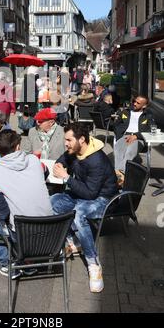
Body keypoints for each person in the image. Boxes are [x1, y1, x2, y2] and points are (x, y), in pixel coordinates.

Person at [50, 122, 118, 293]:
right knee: (53, 201)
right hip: (84, 195)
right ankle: (75, 241)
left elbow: (90, 194)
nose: (66, 144)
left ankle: (93, 263)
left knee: (79, 214)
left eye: (68, 140)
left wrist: (66, 177)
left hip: (104, 200)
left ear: (81, 139)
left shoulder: (96, 160)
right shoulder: (74, 151)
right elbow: (62, 159)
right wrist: (59, 166)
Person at [0, 129, 53, 278]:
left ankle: (8, 263)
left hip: (23, 234)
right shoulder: (33, 160)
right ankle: (28, 262)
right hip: (51, 231)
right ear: (18, 147)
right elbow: (45, 173)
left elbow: (2, 213)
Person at [113, 95, 153, 181]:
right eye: (134, 101)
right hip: (125, 135)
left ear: (144, 106)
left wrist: (136, 135)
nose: (134, 103)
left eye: (138, 103)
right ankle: (119, 174)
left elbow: (151, 129)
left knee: (130, 151)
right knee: (118, 149)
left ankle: (120, 174)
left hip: (139, 138)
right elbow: (116, 124)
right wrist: (120, 135)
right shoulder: (125, 111)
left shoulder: (148, 115)